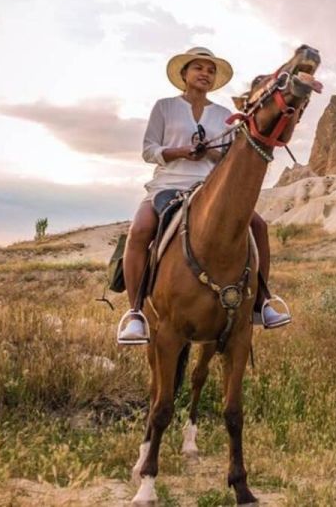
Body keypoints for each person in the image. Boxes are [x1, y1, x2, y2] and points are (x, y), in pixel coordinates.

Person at [117, 47, 289, 344]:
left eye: (210, 71)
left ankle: (262, 301)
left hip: (209, 186)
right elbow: (149, 150)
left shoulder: (223, 115)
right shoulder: (164, 107)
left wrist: (211, 153)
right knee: (139, 231)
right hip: (168, 184)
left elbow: (231, 157)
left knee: (258, 226)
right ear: (184, 74)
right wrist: (180, 152)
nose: (205, 74)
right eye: (198, 68)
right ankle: (136, 314)